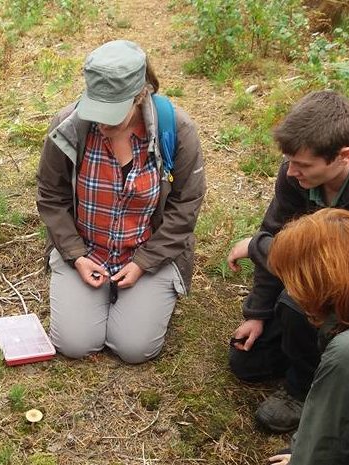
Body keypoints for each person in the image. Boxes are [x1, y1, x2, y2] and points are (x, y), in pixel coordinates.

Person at [36, 40, 205, 363]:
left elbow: (186, 206)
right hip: (87, 249)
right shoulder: (68, 126)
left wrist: (144, 262)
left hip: (148, 251)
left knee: (134, 349)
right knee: (74, 344)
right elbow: (51, 196)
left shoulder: (178, 130)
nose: (102, 123)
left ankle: (138, 293)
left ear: (141, 95)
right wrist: (76, 255)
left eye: (112, 113)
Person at [227, 90, 349, 432]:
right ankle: (307, 352)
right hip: (313, 286)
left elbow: (312, 262)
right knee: (247, 363)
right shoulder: (294, 175)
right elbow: (274, 232)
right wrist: (257, 313)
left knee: (295, 300)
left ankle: (301, 389)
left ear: (343, 156)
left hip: (342, 295)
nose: (291, 171)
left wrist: (257, 247)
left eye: (303, 164)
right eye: (289, 160)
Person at [266, 208, 349, 465]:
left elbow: (325, 445)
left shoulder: (344, 353)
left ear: (319, 280)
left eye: (294, 280)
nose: (291, 290)